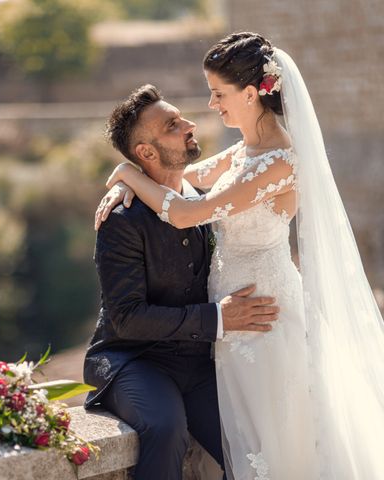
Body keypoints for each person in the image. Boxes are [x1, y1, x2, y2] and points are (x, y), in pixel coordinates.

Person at [96, 32, 384, 479]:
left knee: (276, 448)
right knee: (250, 449)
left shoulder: (280, 161)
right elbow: (177, 173)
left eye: (218, 93)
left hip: (262, 319)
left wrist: (122, 174)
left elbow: (189, 211)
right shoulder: (244, 153)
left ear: (251, 93)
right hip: (228, 330)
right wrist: (128, 178)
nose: (210, 106)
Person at [82, 83, 282, 480]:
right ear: (147, 153)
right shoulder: (121, 220)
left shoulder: (207, 202)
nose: (190, 124)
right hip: (133, 360)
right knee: (166, 426)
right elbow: (126, 318)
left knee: (254, 443)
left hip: (198, 364)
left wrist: (127, 175)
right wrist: (217, 319)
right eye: (173, 124)